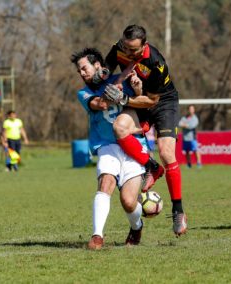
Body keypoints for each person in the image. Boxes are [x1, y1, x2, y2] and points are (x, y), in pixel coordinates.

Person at [105, 24, 187, 236]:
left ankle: (178, 210)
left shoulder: (156, 63)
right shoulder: (119, 48)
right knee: (119, 127)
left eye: (133, 50)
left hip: (161, 102)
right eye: (126, 47)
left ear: (144, 45)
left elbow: (151, 101)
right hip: (137, 98)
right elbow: (107, 68)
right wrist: (102, 76)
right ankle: (152, 167)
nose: (128, 53)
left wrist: (123, 98)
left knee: (167, 152)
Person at [71, 47, 150, 249]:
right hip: (107, 146)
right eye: (79, 70)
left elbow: (141, 102)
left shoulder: (121, 78)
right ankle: (97, 236)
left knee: (128, 202)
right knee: (105, 183)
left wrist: (137, 87)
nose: (82, 73)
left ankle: (137, 225)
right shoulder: (84, 92)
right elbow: (102, 104)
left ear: (97, 65)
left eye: (84, 68)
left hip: (133, 145)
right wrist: (120, 80)